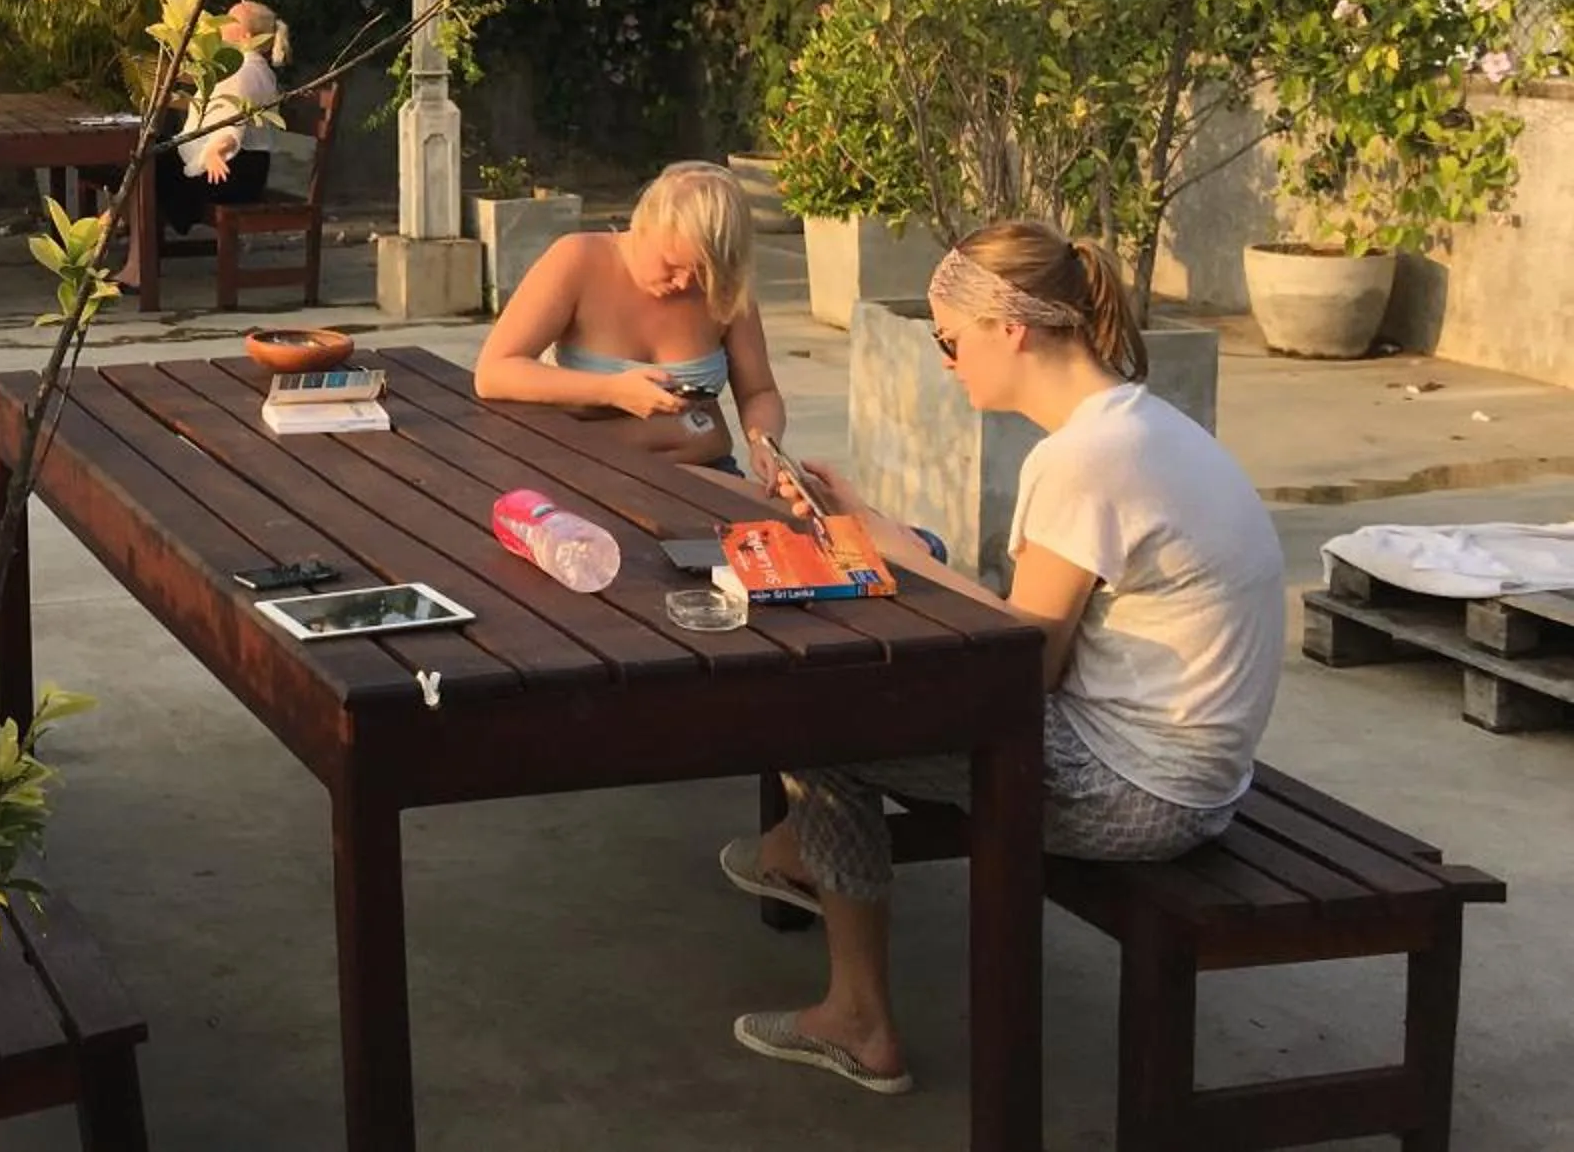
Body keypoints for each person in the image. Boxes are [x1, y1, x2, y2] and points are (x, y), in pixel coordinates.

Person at [718, 219, 1287, 1095]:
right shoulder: (1137, 425)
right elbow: (1031, 624)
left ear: (1009, 330)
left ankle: (857, 1013)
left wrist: (889, 574)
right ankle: (804, 852)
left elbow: (1025, 673)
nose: (946, 361)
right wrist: (880, 534)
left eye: (950, 339)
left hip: (1140, 791)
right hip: (1197, 769)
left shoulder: (1082, 461)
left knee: (821, 727)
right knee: (858, 709)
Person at [470, 161, 791, 482]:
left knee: (788, 523)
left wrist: (765, 443)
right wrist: (611, 390)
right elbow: (494, 372)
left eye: (702, 272)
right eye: (672, 264)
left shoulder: (726, 289)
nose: (683, 283)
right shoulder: (578, 259)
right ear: (643, 225)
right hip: (594, 475)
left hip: (704, 469)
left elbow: (759, 391)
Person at [116, 0, 287, 293]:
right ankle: (127, 240)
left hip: (232, 171)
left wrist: (215, 151)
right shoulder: (247, 67)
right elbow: (218, 109)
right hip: (242, 166)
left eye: (229, 22)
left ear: (247, 37)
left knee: (147, 167)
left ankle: (135, 263)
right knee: (148, 160)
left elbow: (233, 121)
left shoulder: (245, 71)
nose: (219, 27)